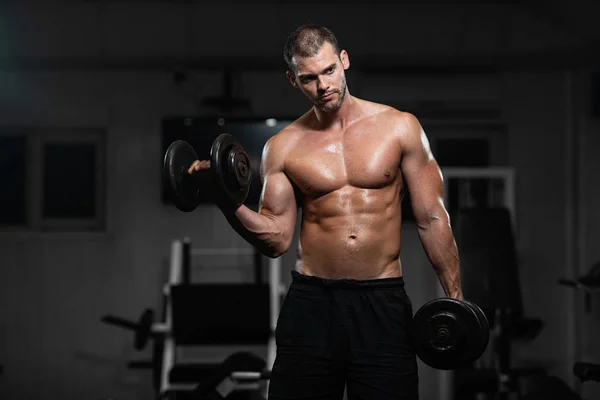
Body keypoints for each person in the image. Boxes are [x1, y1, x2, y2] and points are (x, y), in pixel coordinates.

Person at [189, 24, 463, 400]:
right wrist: (228, 202)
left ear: (344, 61)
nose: (323, 86)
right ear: (293, 80)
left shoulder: (400, 128)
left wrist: (456, 299)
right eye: (309, 78)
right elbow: (276, 238)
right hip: (312, 303)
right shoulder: (283, 147)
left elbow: (432, 218)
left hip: (382, 302)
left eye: (329, 70)